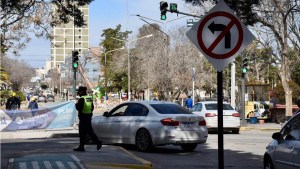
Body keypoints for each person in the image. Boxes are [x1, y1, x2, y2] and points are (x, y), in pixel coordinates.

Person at [74, 86, 102, 152]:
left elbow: (79, 108)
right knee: (88, 132)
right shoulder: (89, 98)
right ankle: (82, 146)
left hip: (83, 118)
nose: (78, 93)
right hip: (88, 117)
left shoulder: (82, 99)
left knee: (82, 132)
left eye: (79, 91)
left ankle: (97, 142)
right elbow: (92, 107)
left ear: (82, 91)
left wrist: (76, 105)